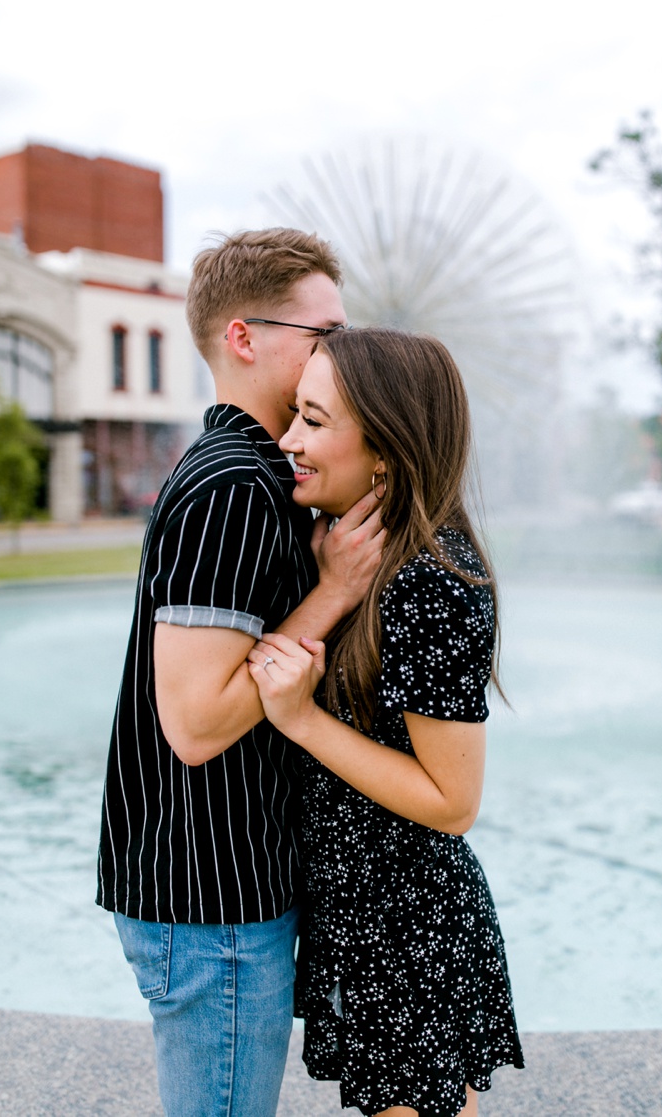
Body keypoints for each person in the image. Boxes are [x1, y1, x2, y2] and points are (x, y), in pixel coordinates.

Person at [97, 228, 384, 1117]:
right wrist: (333, 592)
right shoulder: (233, 487)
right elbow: (195, 721)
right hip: (208, 891)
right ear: (244, 338)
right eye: (322, 331)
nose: (340, 349)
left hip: (210, 885)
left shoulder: (254, 473)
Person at [245, 327, 522, 1117]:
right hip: (368, 914)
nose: (290, 440)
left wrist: (299, 719)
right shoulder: (358, 560)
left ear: (387, 454)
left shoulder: (432, 584)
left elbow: (452, 801)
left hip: (405, 925)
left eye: (316, 420)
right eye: (295, 413)